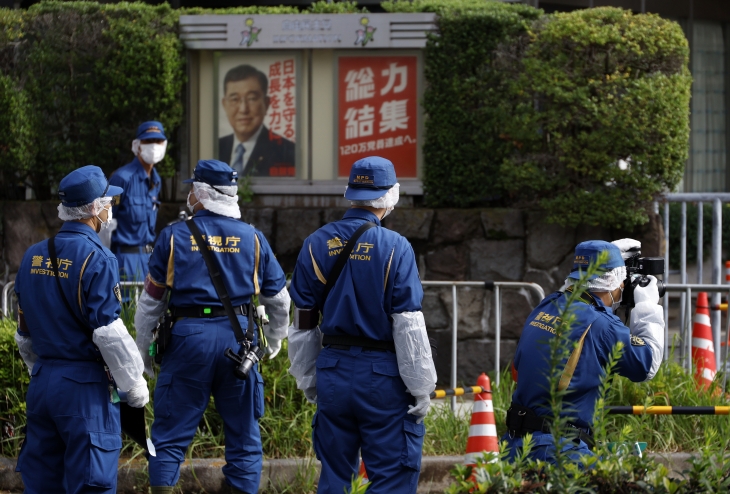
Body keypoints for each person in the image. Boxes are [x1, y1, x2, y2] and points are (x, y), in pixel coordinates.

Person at [133, 159, 290, 494]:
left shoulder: (173, 236)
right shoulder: (254, 238)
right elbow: (280, 300)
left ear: (201, 194)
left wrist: (143, 350)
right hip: (240, 343)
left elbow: (150, 303)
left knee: (169, 436)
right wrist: (275, 339)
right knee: (244, 435)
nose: (189, 194)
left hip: (188, 340)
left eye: (192, 188)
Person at [288, 156, 437, 494]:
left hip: (333, 371)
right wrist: (421, 386)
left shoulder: (316, 243)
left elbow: (303, 323)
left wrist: (309, 377)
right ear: (391, 195)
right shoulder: (395, 247)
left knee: (335, 476)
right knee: (392, 477)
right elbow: (408, 325)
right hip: (382, 377)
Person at [13, 165, 149, 493]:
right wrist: (134, 385)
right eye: (108, 203)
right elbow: (108, 332)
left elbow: (23, 333)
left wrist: (44, 369)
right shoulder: (99, 258)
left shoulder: (32, 256)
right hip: (84, 390)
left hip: (43, 385)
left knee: (42, 482)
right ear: (95, 208)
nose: (111, 209)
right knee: (91, 483)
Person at [503, 239, 664, 465]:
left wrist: (604, 256)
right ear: (617, 282)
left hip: (514, 446)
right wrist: (648, 306)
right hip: (559, 453)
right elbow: (647, 366)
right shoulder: (603, 325)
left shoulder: (546, 305)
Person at [109, 121, 167, 300]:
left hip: (149, 262)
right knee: (125, 316)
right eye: (148, 141)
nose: (154, 147)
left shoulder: (156, 181)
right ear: (137, 146)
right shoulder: (121, 179)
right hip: (125, 261)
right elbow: (105, 222)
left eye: (158, 141)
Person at [219, 64, 295, 177]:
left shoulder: (287, 152)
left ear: (266, 103)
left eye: (252, 99)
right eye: (234, 99)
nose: (243, 109)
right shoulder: (217, 147)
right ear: (224, 105)